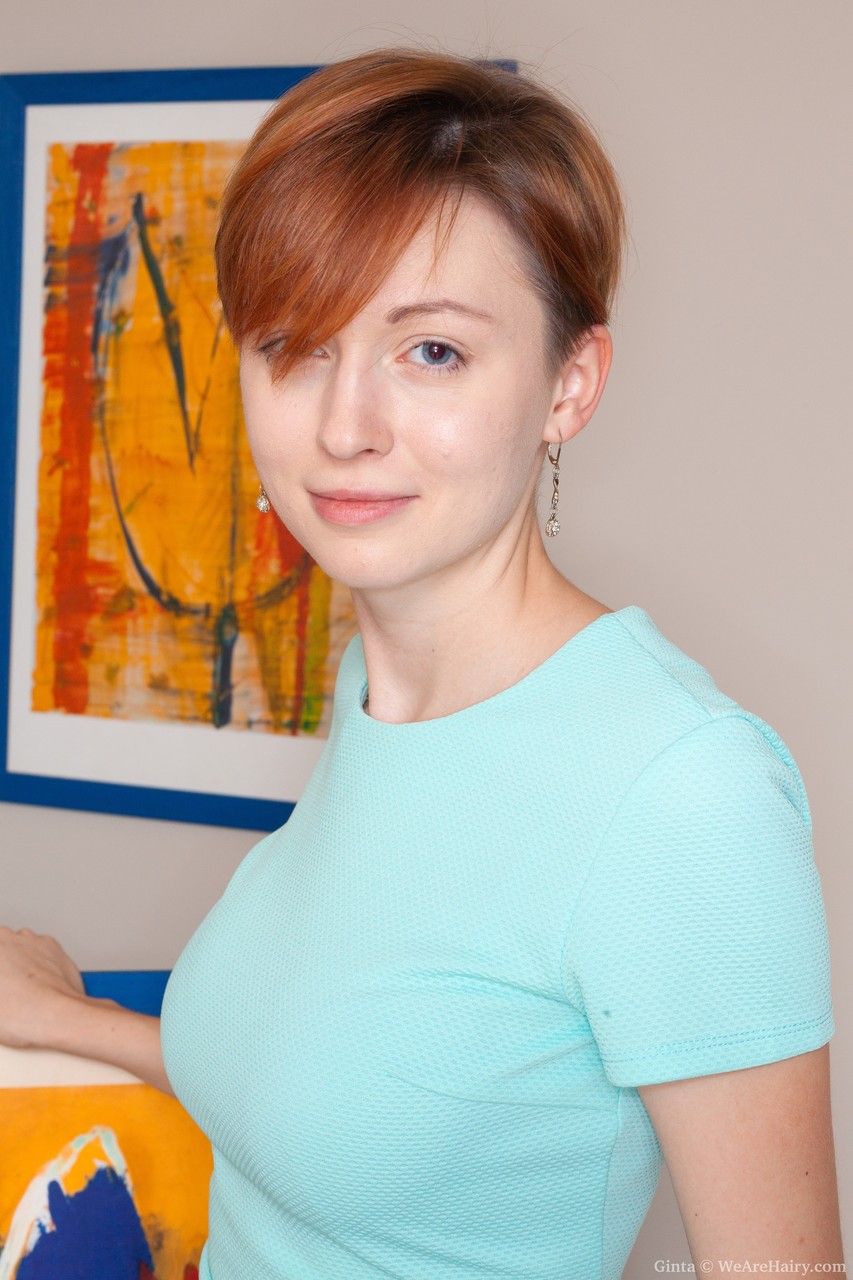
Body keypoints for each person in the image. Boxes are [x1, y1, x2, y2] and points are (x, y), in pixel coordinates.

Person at [0, 46, 844, 1280]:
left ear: (569, 384)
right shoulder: (381, 687)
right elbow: (349, 1094)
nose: (344, 426)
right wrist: (70, 1019)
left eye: (431, 350)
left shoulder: (680, 793)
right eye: (295, 343)